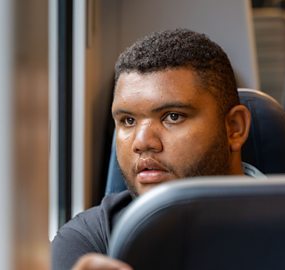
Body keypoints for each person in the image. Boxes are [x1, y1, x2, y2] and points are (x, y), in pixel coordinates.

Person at [51, 29, 264, 270]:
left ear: (234, 128)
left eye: (172, 116)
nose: (141, 142)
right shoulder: (91, 242)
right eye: (128, 121)